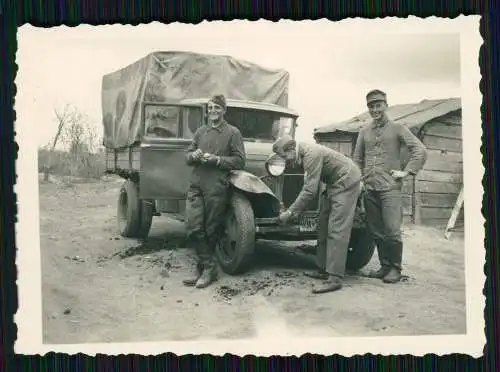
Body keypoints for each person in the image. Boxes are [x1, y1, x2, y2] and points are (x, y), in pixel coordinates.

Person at [352, 89, 427, 283]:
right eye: (371, 106)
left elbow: (419, 149)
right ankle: (384, 266)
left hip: (390, 189)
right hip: (369, 189)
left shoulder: (398, 128)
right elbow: (357, 159)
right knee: (376, 231)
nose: (375, 109)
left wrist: (407, 171)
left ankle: (395, 268)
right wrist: (359, 180)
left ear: (385, 105)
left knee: (392, 230)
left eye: (378, 105)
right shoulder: (364, 132)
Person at [273, 135, 362, 294]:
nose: (285, 161)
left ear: (292, 149)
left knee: (337, 229)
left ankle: (335, 278)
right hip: (334, 182)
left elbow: (310, 190)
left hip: (346, 181)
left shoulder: (310, 154)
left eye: (284, 156)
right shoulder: (302, 154)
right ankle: (323, 269)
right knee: (322, 224)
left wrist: (291, 212)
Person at [182, 94, 246, 289]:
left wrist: (217, 160)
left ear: (224, 111)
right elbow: (187, 156)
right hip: (197, 184)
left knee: (210, 230)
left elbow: (240, 160)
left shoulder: (233, 133)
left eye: (217, 108)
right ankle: (209, 267)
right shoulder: (201, 132)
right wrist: (194, 155)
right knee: (193, 227)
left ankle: (202, 269)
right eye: (210, 108)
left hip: (217, 186)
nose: (213, 112)